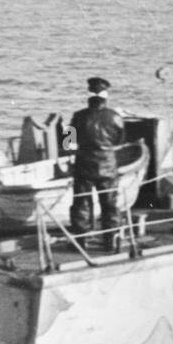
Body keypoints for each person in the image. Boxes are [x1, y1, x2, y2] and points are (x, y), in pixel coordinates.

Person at [69, 76, 125, 248]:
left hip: (84, 166)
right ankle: (111, 240)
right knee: (109, 204)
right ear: (106, 95)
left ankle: (81, 240)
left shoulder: (77, 117)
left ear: (89, 95)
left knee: (82, 203)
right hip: (107, 166)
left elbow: (66, 143)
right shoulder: (115, 117)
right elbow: (120, 141)